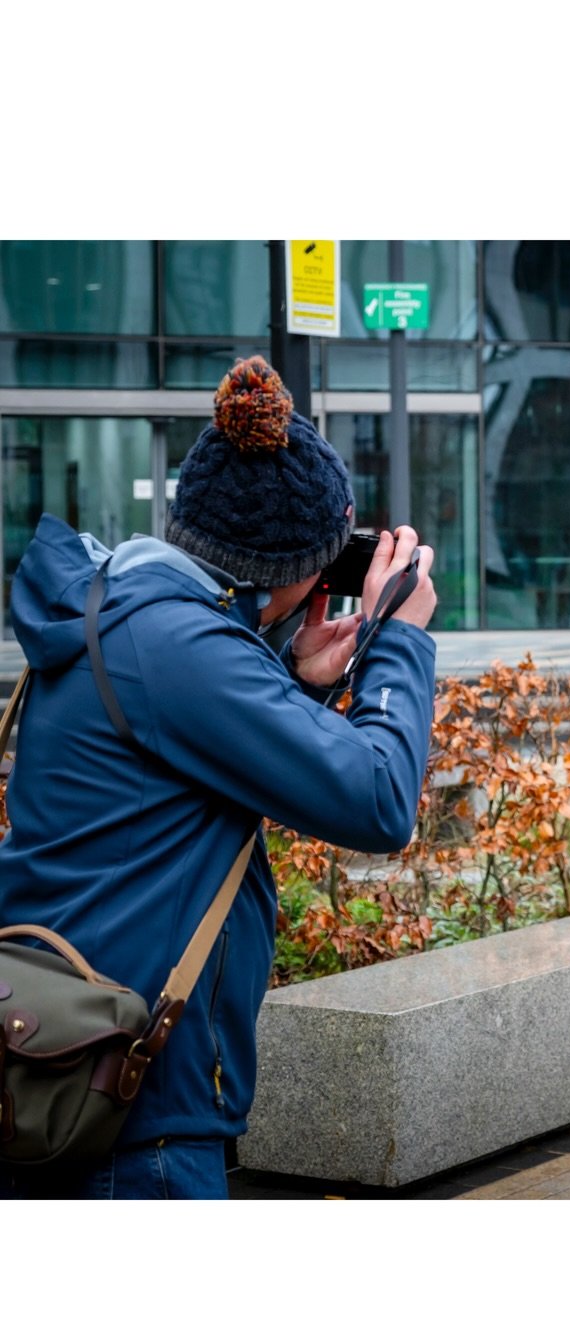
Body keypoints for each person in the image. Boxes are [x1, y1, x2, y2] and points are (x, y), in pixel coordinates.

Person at [0, 355, 437, 1200]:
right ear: (291, 569)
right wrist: (399, 639)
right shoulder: (181, 649)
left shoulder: (129, 606)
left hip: (73, 1051)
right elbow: (380, 801)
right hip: (132, 1109)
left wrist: (290, 677)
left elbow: (174, 767)